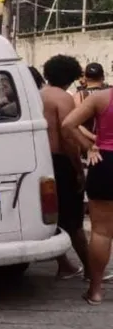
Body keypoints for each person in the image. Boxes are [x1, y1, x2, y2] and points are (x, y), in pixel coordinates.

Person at [63, 87, 113, 304]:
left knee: (101, 232)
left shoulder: (101, 98)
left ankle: (95, 291)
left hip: (105, 163)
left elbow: (68, 124)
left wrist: (89, 147)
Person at [41, 55, 89, 279]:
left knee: (51, 217)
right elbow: (68, 138)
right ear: (70, 76)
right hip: (60, 162)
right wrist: (78, 170)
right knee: (74, 220)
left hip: (41, 161)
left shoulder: (38, 95)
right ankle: (91, 269)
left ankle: (65, 265)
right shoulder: (64, 98)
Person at [73, 62, 108, 148]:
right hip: (108, 144)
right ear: (103, 77)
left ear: (85, 78)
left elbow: (76, 124)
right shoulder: (109, 94)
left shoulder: (78, 96)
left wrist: (94, 137)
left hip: (87, 145)